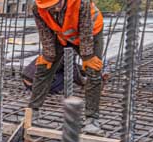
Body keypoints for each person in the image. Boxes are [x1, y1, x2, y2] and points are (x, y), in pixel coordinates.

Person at [29, 0, 104, 134]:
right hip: (63, 35)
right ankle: (32, 112)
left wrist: (87, 57)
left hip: (90, 33)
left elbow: (85, 29)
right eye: (50, 8)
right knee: (44, 67)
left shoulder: (82, 3)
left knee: (93, 70)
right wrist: (49, 55)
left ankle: (92, 120)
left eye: (56, 5)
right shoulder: (37, 8)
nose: (55, 9)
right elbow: (45, 33)